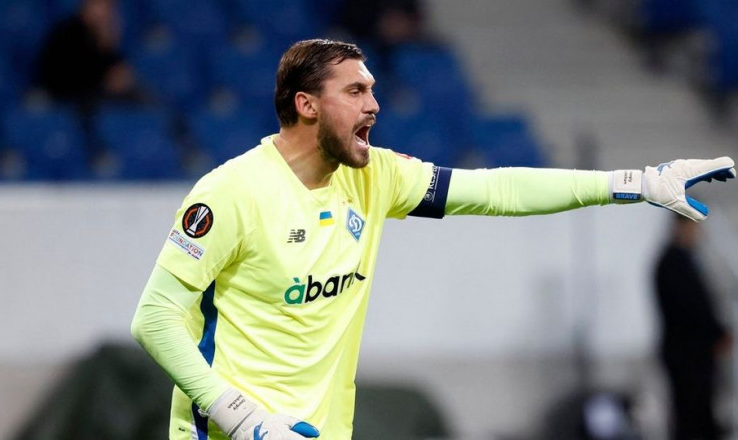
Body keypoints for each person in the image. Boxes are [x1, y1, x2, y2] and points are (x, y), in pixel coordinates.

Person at [130, 39, 736, 440]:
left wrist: (637, 182)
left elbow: (498, 191)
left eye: (372, 89)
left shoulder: (376, 177)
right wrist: (244, 420)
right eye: (356, 92)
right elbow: (154, 320)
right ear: (306, 104)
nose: (375, 104)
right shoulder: (231, 191)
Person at [654, 215, 732, 440]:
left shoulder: (684, 261)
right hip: (687, 356)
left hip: (695, 354)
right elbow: (691, 309)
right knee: (691, 418)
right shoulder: (672, 264)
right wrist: (716, 333)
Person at [35, 0, 140, 106]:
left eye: (110, 8)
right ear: (86, 6)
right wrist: (104, 81)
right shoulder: (66, 34)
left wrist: (107, 47)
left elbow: (115, 71)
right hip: (67, 98)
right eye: (101, 5)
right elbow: (64, 76)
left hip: (98, 95)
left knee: (138, 99)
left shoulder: (104, 36)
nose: (106, 12)